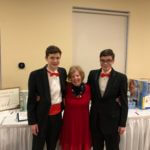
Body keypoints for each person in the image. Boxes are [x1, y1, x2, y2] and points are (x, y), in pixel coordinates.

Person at [27, 45, 67, 150]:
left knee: (52, 145)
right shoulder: (35, 75)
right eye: (52, 58)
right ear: (46, 58)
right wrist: (32, 122)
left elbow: (64, 91)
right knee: (37, 146)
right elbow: (31, 100)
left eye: (57, 58)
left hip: (57, 117)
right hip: (41, 117)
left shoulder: (63, 72)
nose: (55, 60)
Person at [87, 49, 128, 150]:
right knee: (97, 147)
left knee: (113, 148)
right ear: (99, 60)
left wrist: (122, 124)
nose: (105, 63)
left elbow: (124, 102)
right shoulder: (92, 74)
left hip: (112, 122)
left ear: (113, 60)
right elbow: (87, 93)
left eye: (108, 60)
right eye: (102, 60)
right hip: (95, 120)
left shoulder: (121, 78)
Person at [60, 66, 91, 150]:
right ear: (70, 78)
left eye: (77, 75)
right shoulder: (66, 88)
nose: (75, 78)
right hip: (69, 124)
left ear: (81, 76)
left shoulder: (88, 88)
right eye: (72, 76)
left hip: (84, 124)